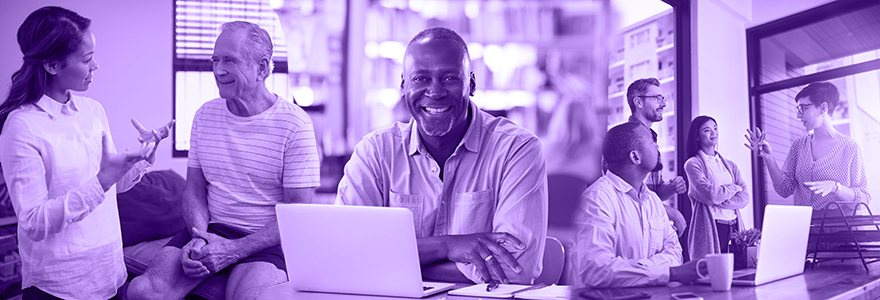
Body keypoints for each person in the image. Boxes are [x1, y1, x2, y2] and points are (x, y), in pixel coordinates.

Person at [336, 27, 547, 285]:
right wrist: (447, 246)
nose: (435, 92)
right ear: (403, 85)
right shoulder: (375, 152)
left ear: (471, 84)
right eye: (421, 78)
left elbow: (516, 269)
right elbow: (345, 254)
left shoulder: (517, 149)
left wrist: (392, 263)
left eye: (449, 78)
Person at [127, 21, 320, 300]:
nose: (218, 70)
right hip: (212, 229)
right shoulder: (204, 115)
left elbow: (298, 214)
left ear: (262, 68)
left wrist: (234, 250)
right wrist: (199, 236)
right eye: (215, 60)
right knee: (143, 290)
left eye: (230, 60)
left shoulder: (295, 125)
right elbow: (194, 189)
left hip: (266, 240)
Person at [0, 6, 173, 299]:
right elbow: (34, 222)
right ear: (52, 65)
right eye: (87, 58)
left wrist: (141, 159)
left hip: (111, 274)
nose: (96, 67)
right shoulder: (23, 126)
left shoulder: (93, 111)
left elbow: (112, 187)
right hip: (59, 287)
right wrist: (101, 182)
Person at [574, 122, 703, 288]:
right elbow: (596, 270)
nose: (657, 146)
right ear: (635, 157)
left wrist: (640, 271)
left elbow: (675, 252)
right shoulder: (596, 198)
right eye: (652, 142)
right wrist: (669, 273)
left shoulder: (654, 201)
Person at [745, 82, 870, 213]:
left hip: (839, 228)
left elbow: (863, 199)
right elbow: (784, 189)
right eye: (798, 109)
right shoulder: (799, 145)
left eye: (803, 108)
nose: (798, 115)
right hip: (805, 225)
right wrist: (769, 158)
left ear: (823, 108)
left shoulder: (850, 147)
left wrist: (835, 187)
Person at [624, 78, 688, 235]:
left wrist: (671, 187)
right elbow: (626, 194)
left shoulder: (651, 139)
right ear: (638, 102)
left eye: (663, 98)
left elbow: (657, 192)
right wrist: (670, 212)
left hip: (649, 225)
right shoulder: (625, 138)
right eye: (657, 98)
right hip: (632, 228)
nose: (664, 104)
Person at [684, 116, 749, 260]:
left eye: (715, 128)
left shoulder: (730, 165)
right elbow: (711, 195)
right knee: (711, 274)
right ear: (697, 137)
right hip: (713, 227)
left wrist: (721, 197)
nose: (714, 133)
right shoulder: (693, 164)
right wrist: (734, 188)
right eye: (707, 130)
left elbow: (745, 198)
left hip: (734, 227)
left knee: (737, 273)